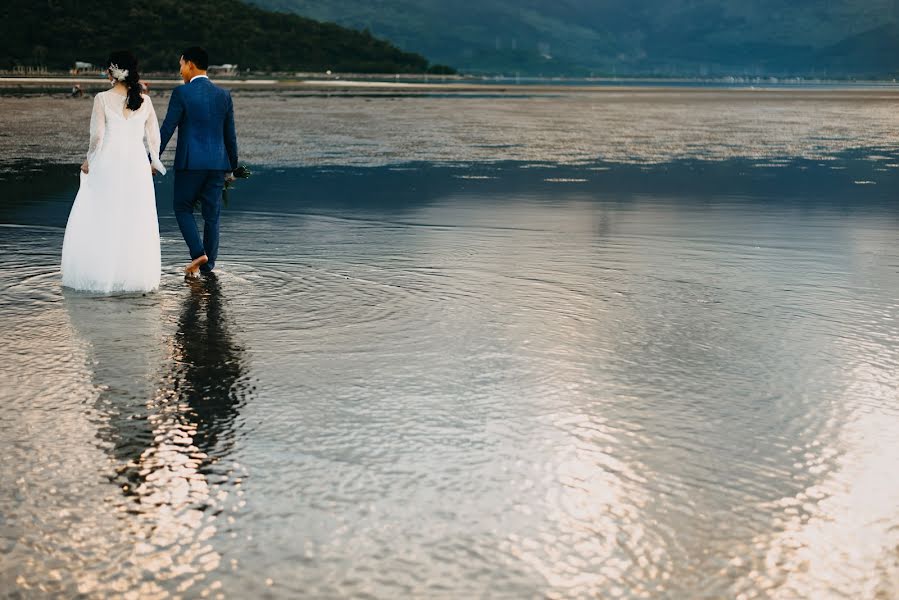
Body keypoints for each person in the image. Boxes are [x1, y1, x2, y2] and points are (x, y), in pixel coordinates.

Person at [61, 51, 165, 293]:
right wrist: (154, 160)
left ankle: (102, 274)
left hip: (109, 161)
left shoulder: (102, 98)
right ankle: (132, 277)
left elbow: (96, 136)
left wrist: (89, 160)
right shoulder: (145, 101)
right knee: (135, 217)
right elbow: (154, 136)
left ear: (111, 72)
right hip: (137, 164)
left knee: (105, 215)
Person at [159, 47, 239, 276]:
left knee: (182, 207)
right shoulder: (223, 95)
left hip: (190, 163)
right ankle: (207, 269)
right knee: (211, 216)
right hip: (217, 164)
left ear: (191, 64)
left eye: (181, 65)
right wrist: (233, 167)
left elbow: (167, 129)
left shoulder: (182, 93)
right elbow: (229, 136)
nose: (180, 70)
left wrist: (151, 159)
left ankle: (197, 253)